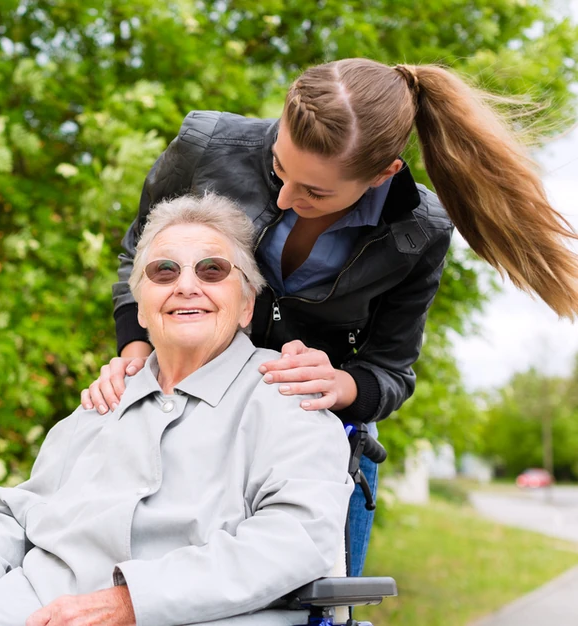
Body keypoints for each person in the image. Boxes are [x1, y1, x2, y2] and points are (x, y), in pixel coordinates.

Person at [83, 58, 578, 576]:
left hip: (317, 455)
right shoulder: (205, 145)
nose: (285, 196)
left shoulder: (419, 233)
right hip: (190, 429)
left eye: (315, 192)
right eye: (278, 167)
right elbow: (140, 252)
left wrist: (342, 385)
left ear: (384, 174)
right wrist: (135, 352)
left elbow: (390, 372)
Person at [0, 195, 354, 626]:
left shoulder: (288, 393)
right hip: (41, 603)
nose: (186, 285)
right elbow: (17, 508)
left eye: (212, 269)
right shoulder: (103, 401)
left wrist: (134, 602)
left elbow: (295, 538)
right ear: (140, 308)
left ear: (246, 305)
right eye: (164, 271)